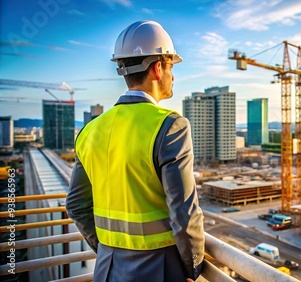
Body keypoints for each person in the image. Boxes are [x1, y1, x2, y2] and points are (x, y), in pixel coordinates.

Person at [66, 20, 205, 282]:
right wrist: (192, 268)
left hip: (107, 269)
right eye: (171, 66)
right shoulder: (170, 126)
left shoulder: (89, 131)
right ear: (156, 68)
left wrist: (106, 249)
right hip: (159, 269)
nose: (173, 76)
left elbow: (75, 205)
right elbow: (184, 214)